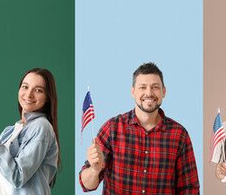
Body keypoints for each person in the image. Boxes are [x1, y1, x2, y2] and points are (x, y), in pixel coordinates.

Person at [79, 62, 200, 194]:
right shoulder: (112, 129)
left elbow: (190, 189)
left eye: (155, 87)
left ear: (163, 91)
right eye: (142, 87)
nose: (149, 93)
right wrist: (94, 170)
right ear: (133, 92)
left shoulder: (179, 135)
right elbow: (87, 185)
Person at [0, 68, 61, 194]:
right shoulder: (10, 131)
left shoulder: (42, 127)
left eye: (38, 90)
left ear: (47, 97)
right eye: (25, 87)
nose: (29, 94)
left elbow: (18, 177)